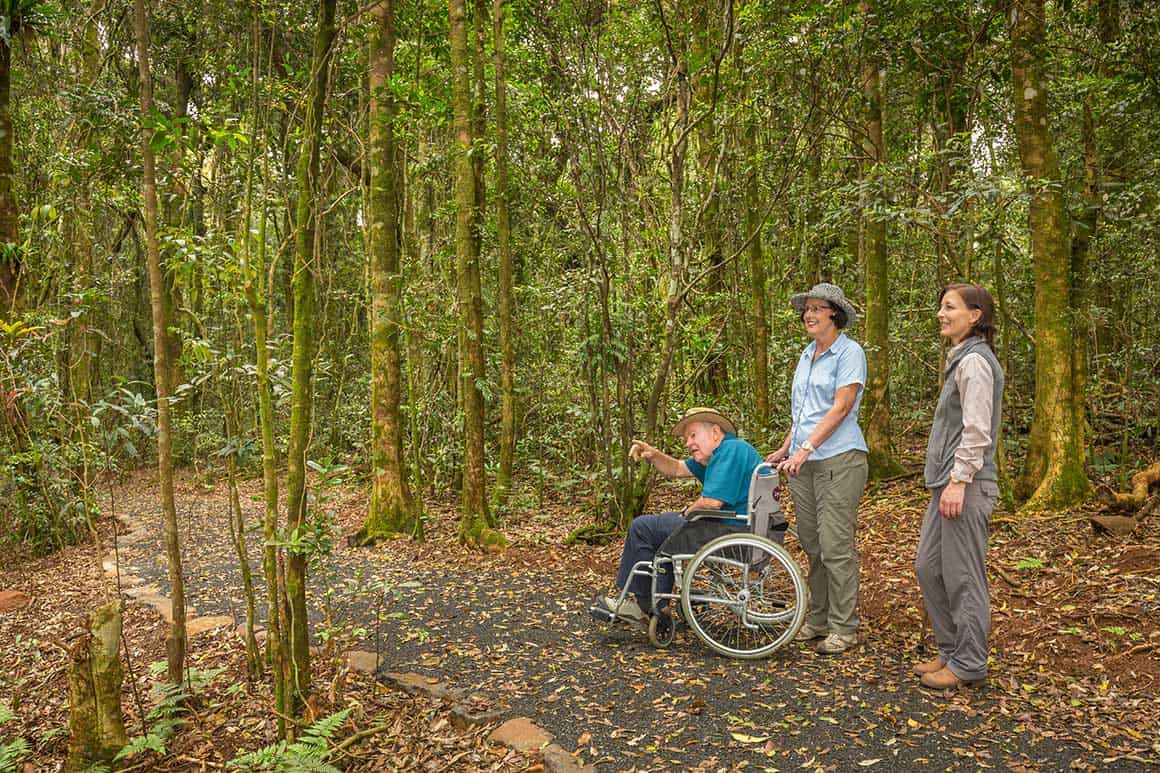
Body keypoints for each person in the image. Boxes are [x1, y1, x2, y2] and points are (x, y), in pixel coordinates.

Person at [767, 283, 868, 655]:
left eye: (816, 309)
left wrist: (806, 448)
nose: (808, 315)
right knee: (813, 544)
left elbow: (840, 408)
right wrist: (786, 448)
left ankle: (844, 627)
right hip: (802, 463)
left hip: (839, 460)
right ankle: (819, 619)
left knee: (834, 544)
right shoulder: (807, 354)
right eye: (806, 309)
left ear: (834, 314)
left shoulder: (850, 352)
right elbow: (804, 414)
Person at [914, 284, 1004, 689]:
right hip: (946, 483)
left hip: (965, 484)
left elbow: (977, 430)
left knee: (963, 575)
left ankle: (968, 662)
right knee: (929, 566)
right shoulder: (960, 359)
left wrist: (959, 480)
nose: (941, 313)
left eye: (950, 307)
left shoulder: (975, 362)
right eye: (941, 306)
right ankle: (950, 650)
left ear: (975, 315)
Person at [598, 407, 763, 622]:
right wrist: (654, 455)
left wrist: (687, 513)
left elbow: (711, 502)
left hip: (728, 531)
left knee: (643, 527)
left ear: (715, 432)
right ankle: (657, 602)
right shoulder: (724, 452)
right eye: (686, 439)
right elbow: (676, 468)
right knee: (662, 528)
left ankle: (646, 605)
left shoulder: (729, 451)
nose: (687, 443)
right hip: (738, 527)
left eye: (693, 435)